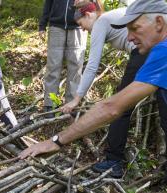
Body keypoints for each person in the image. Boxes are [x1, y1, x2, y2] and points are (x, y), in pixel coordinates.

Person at [19, 0, 167, 179]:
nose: (129, 37)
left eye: (135, 28)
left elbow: (111, 108)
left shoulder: (163, 51)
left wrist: (56, 141)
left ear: (159, 23)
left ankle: (114, 161)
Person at [59, 0, 149, 178]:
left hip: (144, 51)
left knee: (121, 107)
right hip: (157, 48)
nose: (83, 30)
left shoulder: (101, 21)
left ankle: (114, 162)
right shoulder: (111, 16)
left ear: (88, 15)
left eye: (81, 25)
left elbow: (92, 65)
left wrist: (77, 99)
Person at [39, 0, 87, 116]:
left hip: (79, 26)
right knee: (53, 65)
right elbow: (48, 4)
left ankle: (72, 104)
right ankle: (50, 104)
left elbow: (94, 4)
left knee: (76, 67)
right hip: (56, 26)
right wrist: (42, 25)